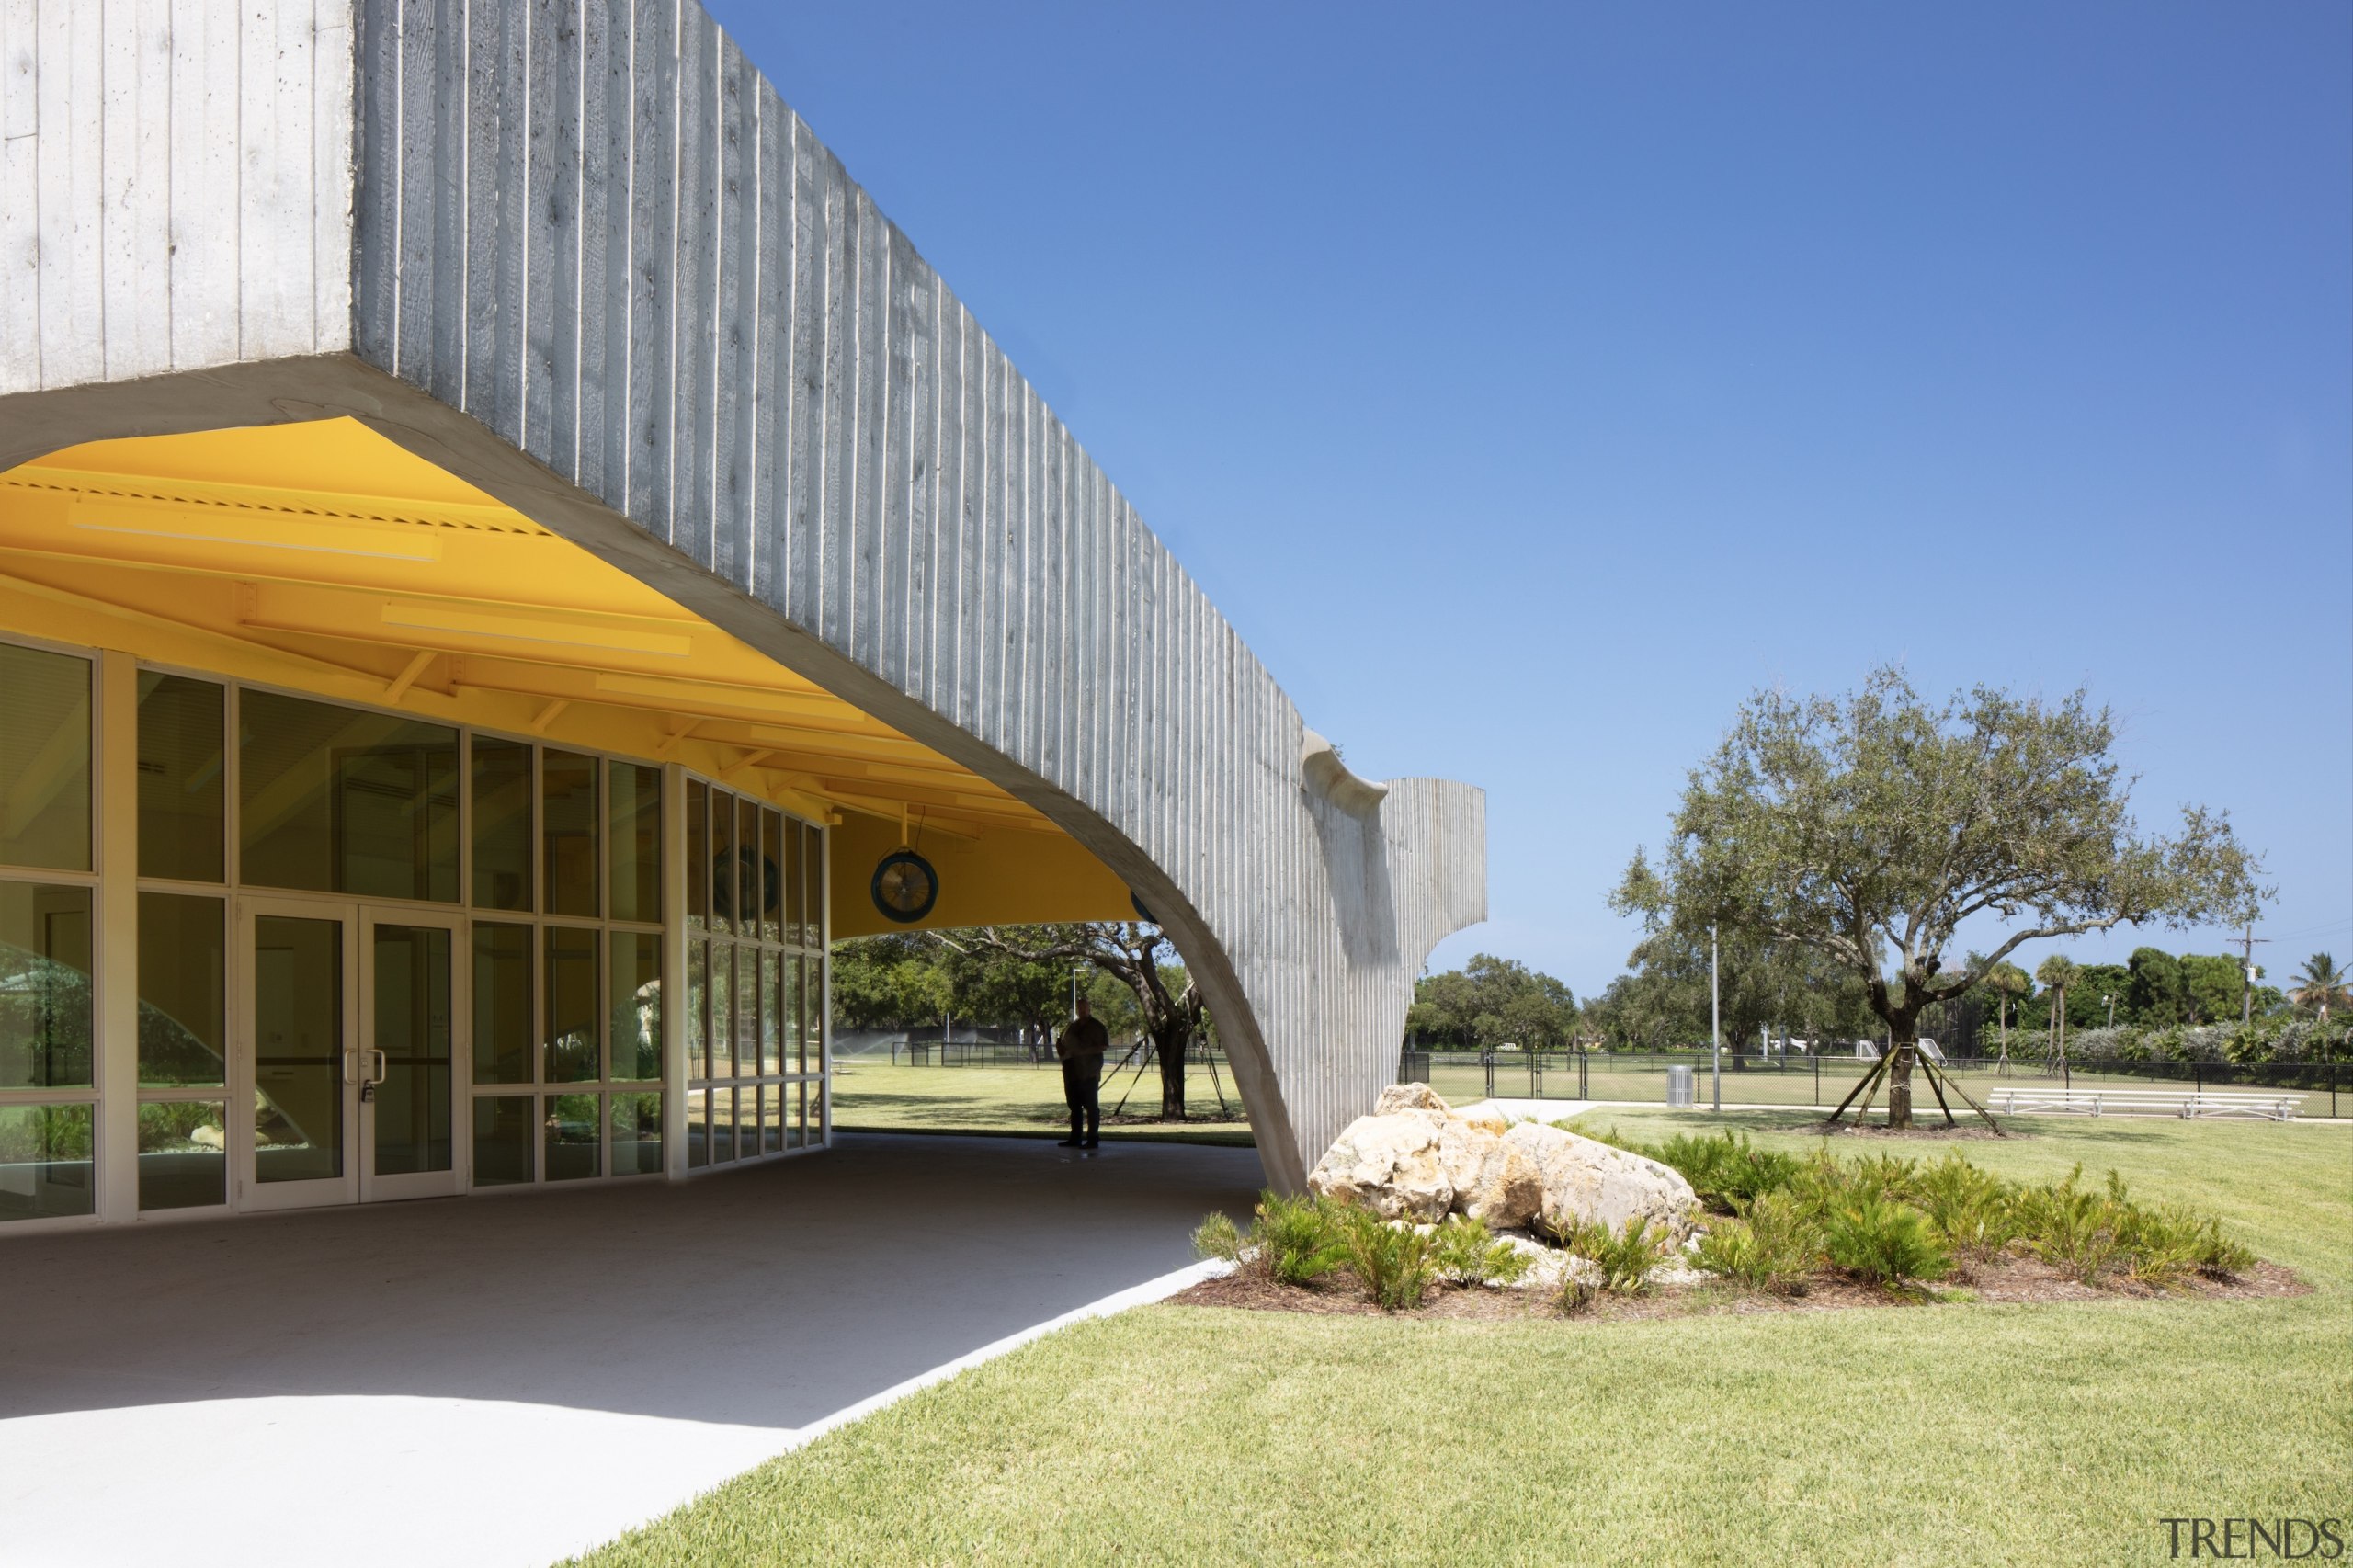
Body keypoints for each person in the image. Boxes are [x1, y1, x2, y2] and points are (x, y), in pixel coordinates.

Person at [1055, 998, 1110, 1149]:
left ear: (1089, 1008)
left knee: (1091, 1107)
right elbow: (1063, 1043)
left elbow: (1103, 1046)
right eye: (1079, 1007)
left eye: (1084, 1007)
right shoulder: (1071, 1026)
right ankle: (1075, 1137)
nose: (1082, 1010)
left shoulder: (1097, 1027)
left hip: (1089, 1073)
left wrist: (1081, 1052)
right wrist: (1060, 1046)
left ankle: (1093, 1139)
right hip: (1071, 1073)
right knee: (1074, 1106)